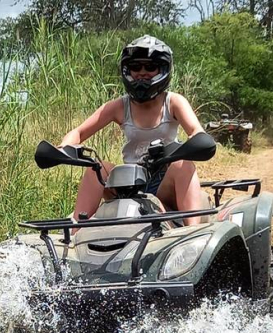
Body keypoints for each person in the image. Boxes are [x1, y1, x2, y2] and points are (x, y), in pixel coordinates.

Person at [60, 35, 209, 226]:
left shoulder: (173, 102)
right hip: (128, 182)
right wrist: (64, 147)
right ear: (127, 70)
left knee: (183, 164)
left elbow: (196, 130)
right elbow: (79, 132)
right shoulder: (119, 106)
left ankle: (192, 234)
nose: (142, 73)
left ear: (162, 69)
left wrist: (197, 140)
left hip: (164, 179)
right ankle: (75, 230)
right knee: (96, 168)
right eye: (136, 67)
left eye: (150, 67)